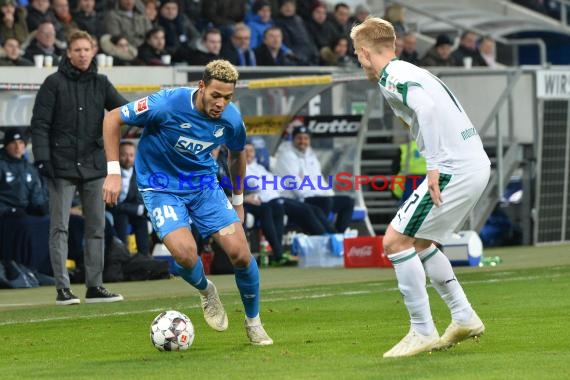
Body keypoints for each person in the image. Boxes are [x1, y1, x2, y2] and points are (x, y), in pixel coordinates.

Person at [101, 59, 273, 346]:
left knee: (241, 254)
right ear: (201, 86)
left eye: (227, 97)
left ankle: (254, 323)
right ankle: (207, 292)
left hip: (204, 186)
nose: (221, 103)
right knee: (184, 253)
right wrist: (114, 173)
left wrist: (239, 200)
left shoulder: (231, 120)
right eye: (215, 95)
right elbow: (112, 118)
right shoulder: (166, 103)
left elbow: (236, 154)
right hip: (160, 187)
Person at [350, 17, 490, 357]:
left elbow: (425, 109)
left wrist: (433, 166)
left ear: (366, 53)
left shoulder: (393, 76)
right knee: (422, 241)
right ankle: (463, 315)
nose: (357, 59)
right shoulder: (412, 70)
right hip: (474, 163)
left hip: (453, 168)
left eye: (357, 53)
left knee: (395, 241)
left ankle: (422, 330)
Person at [31, 30, 127, 306]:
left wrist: (108, 139)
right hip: (60, 166)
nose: (83, 54)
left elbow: (126, 113)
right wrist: (42, 158)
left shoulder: (101, 83)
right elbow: (40, 124)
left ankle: (94, 286)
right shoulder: (53, 83)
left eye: (87, 49)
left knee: (97, 228)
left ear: (93, 51)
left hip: (95, 166)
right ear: (68, 53)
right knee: (58, 227)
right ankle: (63, 289)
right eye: (78, 50)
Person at [243, 143, 336, 265]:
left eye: (251, 151)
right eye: (246, 151)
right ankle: (324, 241)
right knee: (301, 211)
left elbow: (280, 184)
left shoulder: (259, 167)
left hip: (277, 198)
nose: (249, 154)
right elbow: (253, 184)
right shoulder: (241, 168)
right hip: (266, 201)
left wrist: (267, 182)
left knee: (314, 209)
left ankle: (333, 237)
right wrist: (269, 182)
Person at [273, 124, 355, 233]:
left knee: (347, 202)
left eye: (306, 138)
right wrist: (320, 194)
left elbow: (319, 179)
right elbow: (297, 186)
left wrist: (330, 194)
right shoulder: (287, 156)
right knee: (326, 202)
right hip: (298, 198)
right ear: (293, 139)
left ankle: (340, 235)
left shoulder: (311, 156)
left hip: (316, 196)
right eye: (299, 138)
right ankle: (321, 233)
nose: (303, 141)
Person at [0, 128, 51, 275]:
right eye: (13, 143)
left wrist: (42, 207)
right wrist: (11, 210)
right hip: (6, 216)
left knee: (47, 221)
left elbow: (36, 199)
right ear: (6, 145)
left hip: (23, 214)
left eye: (21, 143)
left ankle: (42, 271)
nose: (17, 147)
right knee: (25, 224)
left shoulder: (30, 169)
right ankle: (21, 269)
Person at [106, 141, 150, 256]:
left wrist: (139, 209)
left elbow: (140, 199)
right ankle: (122, 256)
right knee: (122, 217)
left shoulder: (139, 173)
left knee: (141, 220)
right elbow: (110, 202)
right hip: (113, 208)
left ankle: (144, 257)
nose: (128, 158)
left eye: (131, 155)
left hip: (131, 208)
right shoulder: (109, 172)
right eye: (124, 155)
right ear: (118, 155)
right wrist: (137, 209)